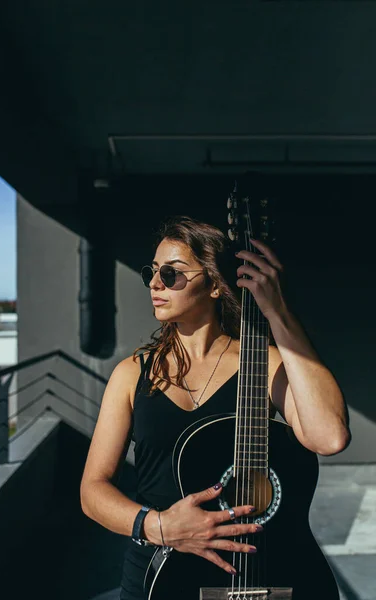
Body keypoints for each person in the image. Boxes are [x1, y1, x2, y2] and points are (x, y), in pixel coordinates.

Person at [80, 215, 350, 600]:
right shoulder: (132, 374)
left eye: (171, 274)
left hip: (268, 570)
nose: (155, 284)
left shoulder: (264, 362)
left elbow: (330, 436)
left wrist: (277, 312)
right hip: (161, 578)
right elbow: (93, 490)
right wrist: (159, 526)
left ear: (213, 284)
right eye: (151, 272)